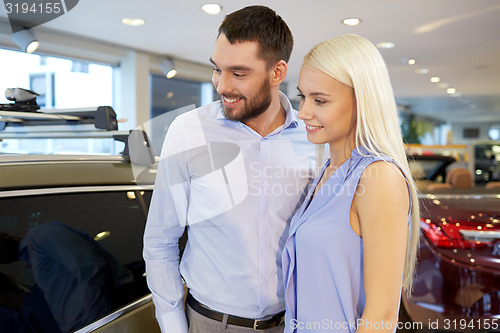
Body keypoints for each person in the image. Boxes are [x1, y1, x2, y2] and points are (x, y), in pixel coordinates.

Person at [143, 5, 320, 333]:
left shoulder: (313, 138)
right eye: (217, 69)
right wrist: (173, 326)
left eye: (238, 73)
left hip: (293, 322)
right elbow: (160, 239)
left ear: (277, 72)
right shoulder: (188, 131)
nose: (222, 85)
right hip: (210, 323)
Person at [282, 34, 421, 333]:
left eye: (319, 100)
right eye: (302, 97)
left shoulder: (379, 177)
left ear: (362, 102)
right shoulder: (327, 172)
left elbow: (381, 317)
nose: (303, 112)